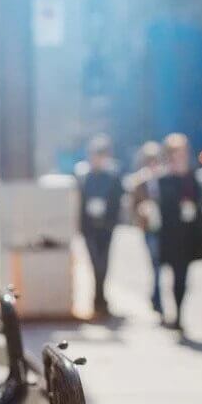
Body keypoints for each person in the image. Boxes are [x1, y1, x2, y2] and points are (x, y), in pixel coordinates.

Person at [157, 133, 202, 331]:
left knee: (183, 278)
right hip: (170, 235)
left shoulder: (192, 176)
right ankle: (168, 312)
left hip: (188, 235)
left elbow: (199, 205)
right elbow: (162, 205)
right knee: (172, 276)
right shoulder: (165, 178)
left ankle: (179, 315)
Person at [77, 133, 123, 318]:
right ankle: (97, 299)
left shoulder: (112, 177)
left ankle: (100, 299)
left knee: (104, 264)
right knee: (95, 263)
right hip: (89, 227)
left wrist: (110, 221)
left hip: (105, 226)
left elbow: (117, 201)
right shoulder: (84, 177)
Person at [129, 141, 164, 317]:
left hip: (164, 228)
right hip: (149, 227)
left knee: (161, 265)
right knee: (155, 264)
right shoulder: (139, 181)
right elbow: (132, 207)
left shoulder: (164, 178)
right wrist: (141, 210)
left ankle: (156, 296)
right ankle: (157, 299)